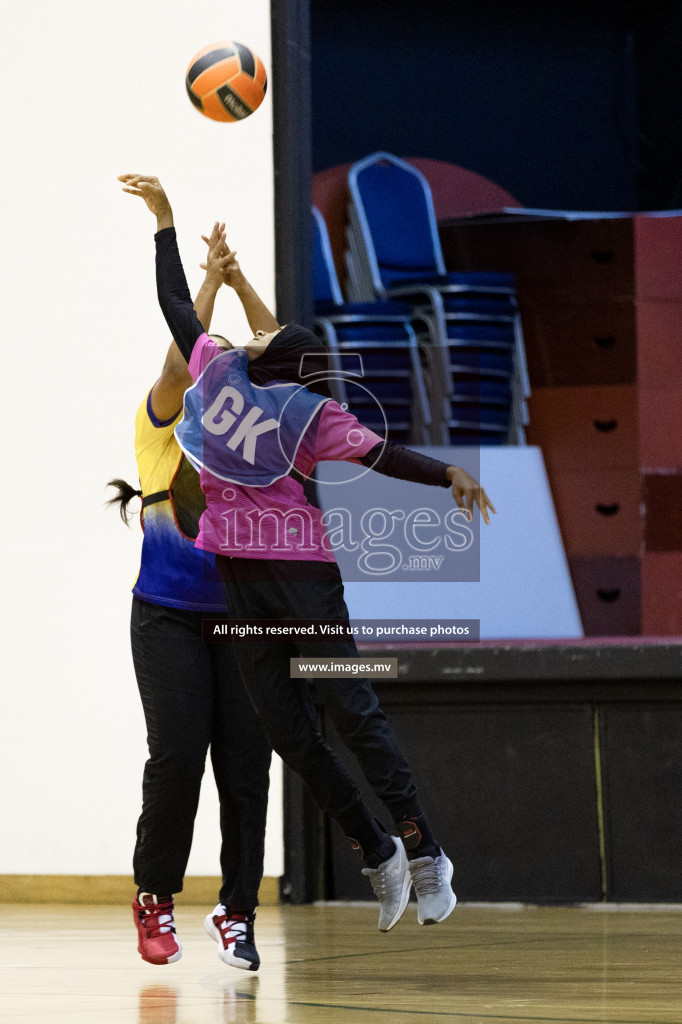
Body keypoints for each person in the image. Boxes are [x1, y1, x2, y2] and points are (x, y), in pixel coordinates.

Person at [118, 172, 496, 933]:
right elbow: (183, 313)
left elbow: (382, 453)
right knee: (291, 735)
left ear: (275, 360)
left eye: (258, 336)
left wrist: (447, 474)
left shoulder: (310, 410)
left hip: (306, 581)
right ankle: (379, 851)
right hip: (242, 592)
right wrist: (170, 226)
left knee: (350, 707)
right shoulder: (221, 379)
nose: (248, 333)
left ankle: (427, 852)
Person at [107, 222, 273, 970]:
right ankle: (155, 898)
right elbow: (179, 356)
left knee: (246, 766)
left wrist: (240, 284)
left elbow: (288, 349)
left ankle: (236, 912)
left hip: (244, 621)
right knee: (177, 758)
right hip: (167, 617)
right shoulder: (163, 423)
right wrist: (205, 284)